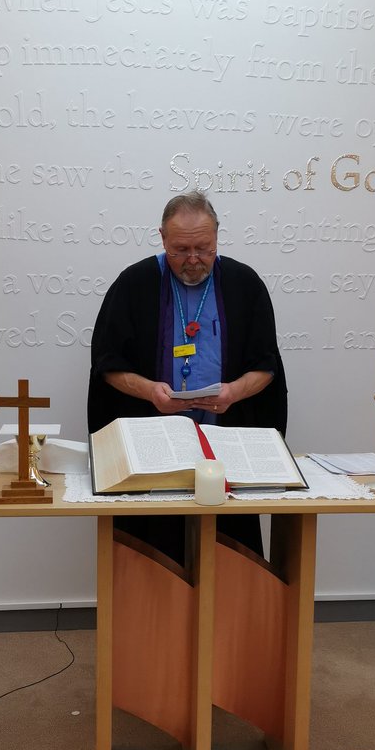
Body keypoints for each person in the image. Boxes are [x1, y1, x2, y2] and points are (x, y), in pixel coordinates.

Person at [88, 191, 288, 563]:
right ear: (162, 238)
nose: (193, 260)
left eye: (204, 247)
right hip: (152, 450)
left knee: (228, 554)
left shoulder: (245, 284)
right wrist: (150, 392)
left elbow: (267, 367)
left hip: (227, 447)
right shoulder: (134, 284)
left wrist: (234, 392)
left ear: (217, 237)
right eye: (181, 249)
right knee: (154, 555)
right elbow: (106, 364)